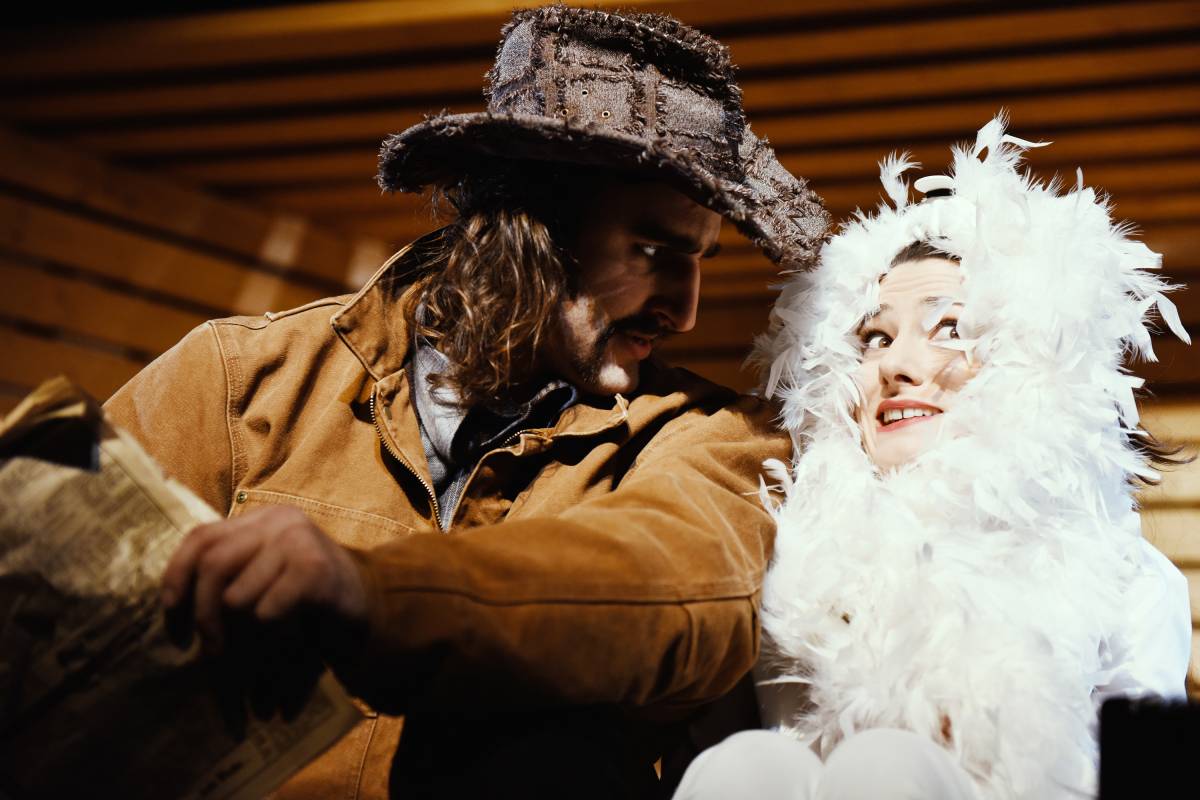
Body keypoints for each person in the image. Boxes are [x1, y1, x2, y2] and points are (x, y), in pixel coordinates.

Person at [102, 6, 828, 800]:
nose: (684, 311)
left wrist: (368, 593)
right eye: (654, 251)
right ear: (531, 227)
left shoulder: (710, 434)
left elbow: (678, 589)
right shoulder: (238, 379)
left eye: (700, 261)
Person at [674, 117, 1192, 799]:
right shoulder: (776, 552)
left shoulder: (1128, 579)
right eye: (875, 338)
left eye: (952, 328)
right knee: (744, 767)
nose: (899, 365)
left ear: (1029, 363)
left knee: (888, 767)